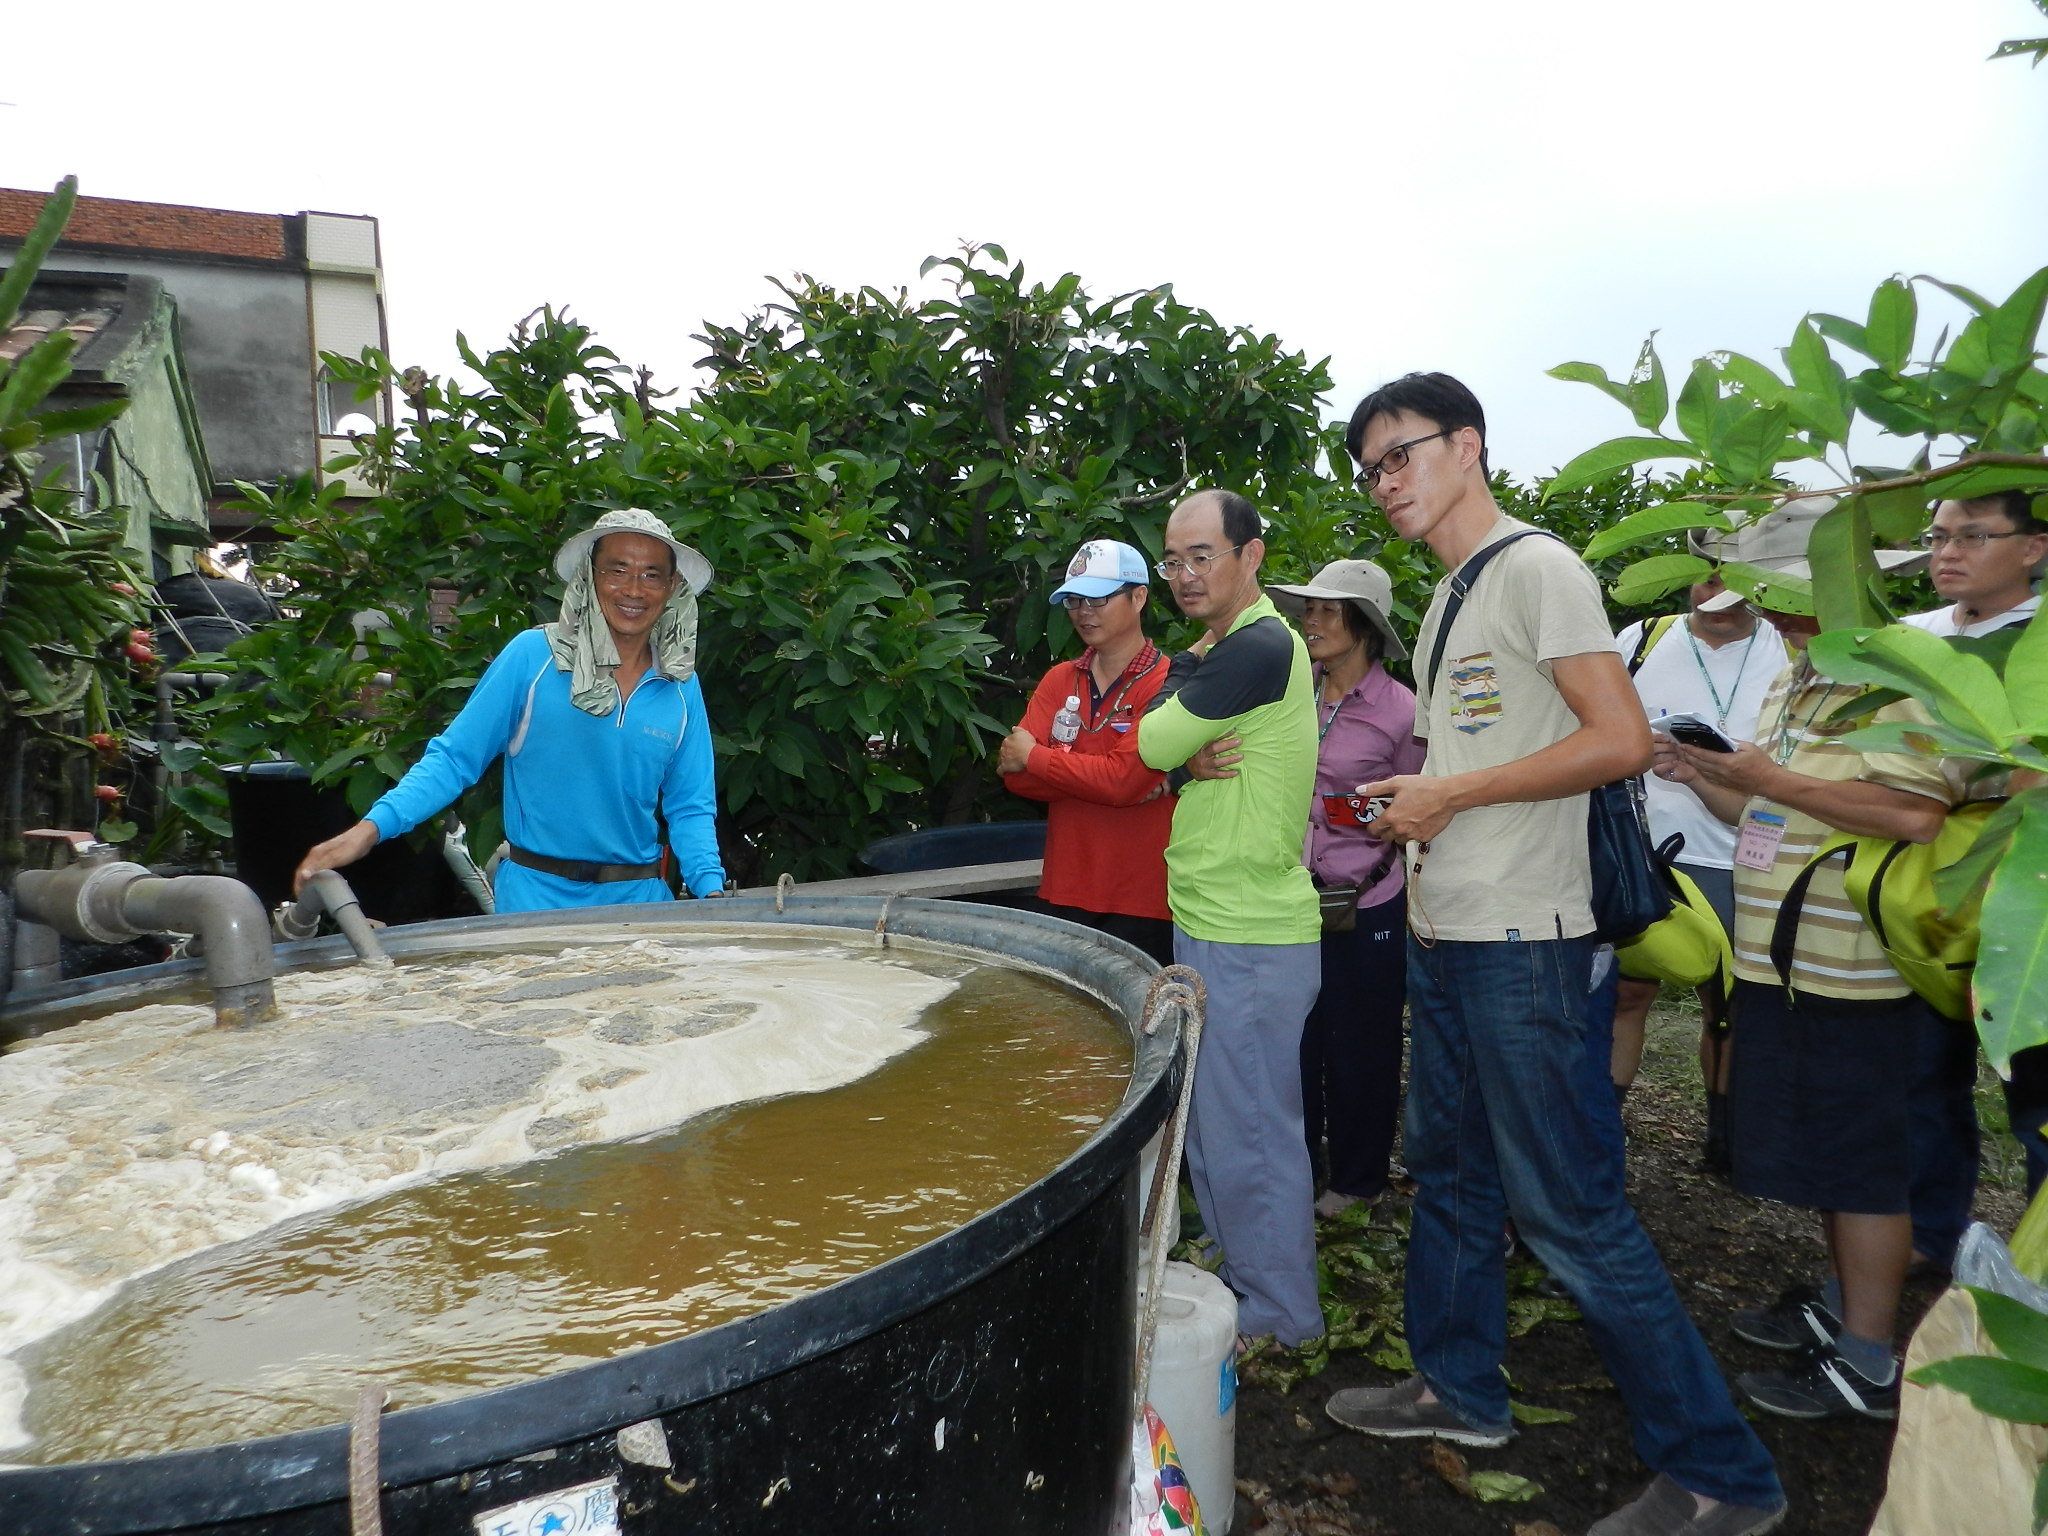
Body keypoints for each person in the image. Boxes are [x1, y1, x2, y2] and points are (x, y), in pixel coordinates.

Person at [1322, 373, 1784, 1536]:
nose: (1385, 483)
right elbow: (1475, 765)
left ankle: (1721, 1474)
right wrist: (1412, 802)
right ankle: (1458, 1390)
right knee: (1454, 1179)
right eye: (1369, 468)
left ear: (1466, 445)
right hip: (1449, 932)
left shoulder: (1538, 569)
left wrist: (1452, 791)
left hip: (1528, 948)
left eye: (1400, 455)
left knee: (1571, 1212)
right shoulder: (1444, 601)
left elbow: (1619, 739)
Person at [1664, 561, 1978, 1421]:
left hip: (1855, 970)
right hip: (1788, 962)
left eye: (1786, 592)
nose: (1773, 611)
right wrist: (1706, 778)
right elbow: (1772, 818)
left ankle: (1869, 1362)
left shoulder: (1901, 675)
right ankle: (1845, 1312)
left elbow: (1916, 814)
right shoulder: (1803, 676)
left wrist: (1766, 780)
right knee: (1832, 1159)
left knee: (1866, 1168)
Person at [295, 509, 727, 912]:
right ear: (589, 577)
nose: (633, 589)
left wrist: (712, 892)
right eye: (617, 570)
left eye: (651, 575)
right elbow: (454, 759)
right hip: (534, 903)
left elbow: (691, 806)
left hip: (641, 904)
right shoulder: (532, 658)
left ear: (672, 588)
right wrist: (367, 832)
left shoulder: (680, 685)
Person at [1135, 488, 1324, 1350]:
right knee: (1216, 1118)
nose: (1184, 575)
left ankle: (1281, 1315)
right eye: (1173, 560)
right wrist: (1179, 753)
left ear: (1251, 555)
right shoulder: (1223, 648)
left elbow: (1146, 743)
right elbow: (1167, 737)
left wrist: (1174, 750)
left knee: (1251, 1131)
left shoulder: (1256, 646)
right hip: (1214, 914)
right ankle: (1238, 1261)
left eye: (1202, 555)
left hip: (1250, 927)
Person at [1902, 489, 2048, 1195]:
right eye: (1937, 538)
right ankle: (1932, 1242)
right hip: (1924, 894)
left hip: (2029, 894)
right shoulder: (1912, 638)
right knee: (1922, 1079)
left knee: (2038, 1101)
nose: (1947, 553)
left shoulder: (2039, 637)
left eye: (1972, 537)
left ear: (2033, 547)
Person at [1265, 560, 1421, 1216]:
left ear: (1365, 625)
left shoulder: (1403, 711)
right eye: (1309, 608)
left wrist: (1347, 811)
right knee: (1294, 1039)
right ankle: (1298, 1167)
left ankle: (1357, 1179)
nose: (1312, 620)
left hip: (1369, 901)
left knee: (1362, 1046)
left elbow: (1419, 808)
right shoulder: (1293, 694)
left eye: (1329, 610)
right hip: (1291, 899)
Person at [1608, 550, 1784, 1116]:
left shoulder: (1788, 649)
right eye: (1706, 577)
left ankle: (1726, 1137)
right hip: (1651, 854)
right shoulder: (1641, 641)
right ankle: (1608, 1123)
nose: (1717, 593)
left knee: (1732, 1004)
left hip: (1752, 859)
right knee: (1628, 993)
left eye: (1733, 579)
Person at [997, 538, 1174, 966]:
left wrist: (1040, 758)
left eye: (1098, 597)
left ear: (1139, 597)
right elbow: (1014, 777)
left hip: (1148, 901)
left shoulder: (1169, 682)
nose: (1083, 611)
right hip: (1064, 890)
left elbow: (1122, 782)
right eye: (1074, 599)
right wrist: (1096, 777)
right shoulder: (1060, 678)